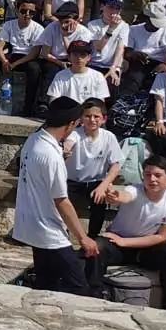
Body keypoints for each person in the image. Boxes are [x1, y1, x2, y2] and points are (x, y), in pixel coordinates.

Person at [13, 96, 97, 295]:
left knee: (45, 285)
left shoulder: (33, 140)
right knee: (80, 288)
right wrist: (83, 237)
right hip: (49, 231)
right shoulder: (50, 155)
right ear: (69, 125)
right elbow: (61, 200)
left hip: (31, 226)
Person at [90, 155, 166, 311]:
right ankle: (94, 295)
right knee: (97, 247)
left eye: (157, 175)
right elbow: (124, 196)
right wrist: (115, 197)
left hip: (145, 247)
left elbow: (163, 237)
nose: (152, 179)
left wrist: (126, 242)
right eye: (147, 175)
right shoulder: (135, 189)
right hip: (117, 244)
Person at [63, 98, 123, 237]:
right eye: (88, 116)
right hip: (73, 181)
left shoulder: (109, 137)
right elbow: (69, 142)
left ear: (103, 119)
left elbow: (115, 165)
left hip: (96, 181)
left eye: (96, 116)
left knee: (100, 201)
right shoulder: (75, 133)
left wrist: (104, 185)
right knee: (66, 204)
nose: (92, 120)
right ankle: (64, 233)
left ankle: (93, 236)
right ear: (82, 118)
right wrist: (66, 148)